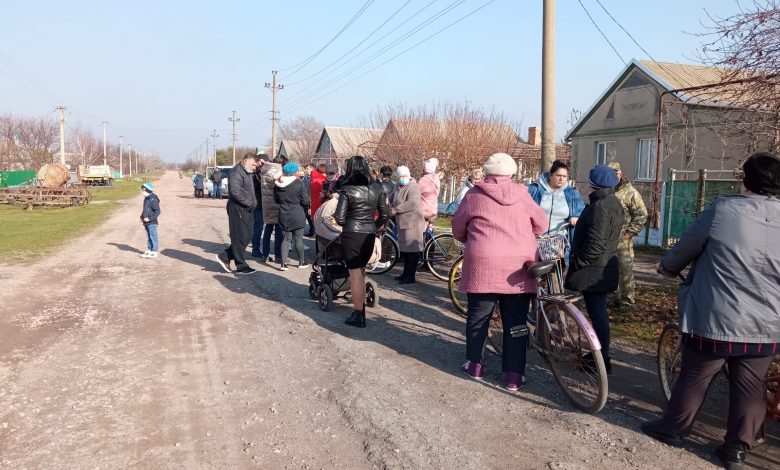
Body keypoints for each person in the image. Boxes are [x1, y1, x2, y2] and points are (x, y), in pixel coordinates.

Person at [642, 153, 780, 469]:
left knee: (696, 375)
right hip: (767, 323)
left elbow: (687, 247)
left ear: (745, 179)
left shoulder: (723, 209)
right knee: (750, 384)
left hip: (717, 317)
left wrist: (666, 266)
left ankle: (674, 428)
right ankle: (736, 451)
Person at [452, 153, 548, 391]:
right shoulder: (523, 195)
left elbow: (457, 228)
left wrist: (472, 238)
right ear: (512, 172)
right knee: (516, 321)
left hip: (483, 262)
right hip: (518, 265)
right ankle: (514, 375)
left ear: (487, 172)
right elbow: (542, 224)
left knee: (478, 316)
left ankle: (475, 365)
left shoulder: (474, 195)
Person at [564, 165, 623, 374]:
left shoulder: (600, 207)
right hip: (605, 266)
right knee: (598, 312)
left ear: (592, 184)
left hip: (593, 269)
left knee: (597, 313)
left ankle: (601, 358)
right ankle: (600, 356)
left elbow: (596, 244)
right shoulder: (613, 202)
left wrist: (577, 262)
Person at [334, 156, 390, 328]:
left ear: (350, 168)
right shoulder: (377, 188)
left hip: (352, 234)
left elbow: (340, 217)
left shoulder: (347, 189)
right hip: (369, 234)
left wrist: (350, 223)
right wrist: (373, 226)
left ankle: (359, 315)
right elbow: (386, 214)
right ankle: (359, 309)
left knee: (355, 275)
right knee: (361, 272)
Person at [606, 162, 648, 307]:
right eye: (610, 172)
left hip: (623, 239)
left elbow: (642, 215)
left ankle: (627, 300)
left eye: (616, 172)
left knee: (625, 270)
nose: (614, 175)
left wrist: (629, 233)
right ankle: (612, 297)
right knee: (608, 269)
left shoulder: (630, 192)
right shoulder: (606, 190)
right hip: (607, 239)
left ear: (620, 173)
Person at [216, 153, 259, 275]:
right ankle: (241, 265)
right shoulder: (236, 172)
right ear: (245, 161)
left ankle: (225, 256)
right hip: (239, 209)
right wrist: (250, 203)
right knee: (240, 237)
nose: (254, 167)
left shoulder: (246, 171)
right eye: (253, 164)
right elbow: (235, 192)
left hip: (246, 209)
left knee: (247, 236)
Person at [527, 160, 585, 237]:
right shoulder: (535, 189)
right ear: (550, 175)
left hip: (560, 240)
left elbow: (581, 210)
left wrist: (575, 216)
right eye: (558, 175)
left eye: (564, 176)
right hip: (536, 238)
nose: (561, 179)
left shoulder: (572, 193)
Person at [390, 165, 425, 284]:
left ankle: (410, 276)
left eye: (405, 176)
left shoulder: (413, 187)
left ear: (409, 175)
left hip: (412, 222)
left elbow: (413, 203)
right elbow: (392, 196)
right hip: (403, 222)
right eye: (400, 176)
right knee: (405, 250)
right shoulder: (397, 185)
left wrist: (396, 209)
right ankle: (405, 274)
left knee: (412, 250)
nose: (402, 178)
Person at [275, 162, 310, 270]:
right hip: (297, 212)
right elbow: (305, 201)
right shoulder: (299, 183)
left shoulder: (277, 184)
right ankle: (301, 262)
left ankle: (283, 264)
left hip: (283, 213)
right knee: (298, 239)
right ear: (295, 172)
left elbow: (275, 200)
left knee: (286, 239)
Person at [259, 157, 284, 263]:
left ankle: (265, 254)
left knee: (267, 230)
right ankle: (278, 256)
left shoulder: (264, 171)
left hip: (266, 204)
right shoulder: (277, 171)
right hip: (277, 204)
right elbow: (281, 184)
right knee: (278, 232)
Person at [250, 156, 267, 258]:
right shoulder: (255, 174)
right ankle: (255, 249)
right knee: (257, 228)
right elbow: (260, 184)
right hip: (257, 204)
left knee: (257, 227)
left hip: (258, 203)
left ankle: (255, 248)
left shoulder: (254, 173)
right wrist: (260, 170)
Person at [139, 182, 161, 259]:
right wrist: (142, 216)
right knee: (148, 236)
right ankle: (149, 249)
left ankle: (154, 251)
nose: (141, 192)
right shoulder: (146, 199)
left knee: (153, 236)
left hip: (152, 222)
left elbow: (157, 211)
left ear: (146, 190)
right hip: (146, 222)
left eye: (142, 191)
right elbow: (145, 209)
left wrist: (149, 218)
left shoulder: (153, 199)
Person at [418, 157, 441, 222]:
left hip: (423, 211)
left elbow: (416, 195)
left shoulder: (423, 181)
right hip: (433, 209)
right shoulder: (436, 180)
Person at [301, 164, 316, 237]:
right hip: (306, 198)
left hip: (310, 199)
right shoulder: (306, 178)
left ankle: (313, 231)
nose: (306, 170)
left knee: (310, 217)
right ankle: (312, 230)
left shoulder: (312, 179)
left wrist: (310, 205)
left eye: (307, 169)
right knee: (308, 217)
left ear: (311, 169)